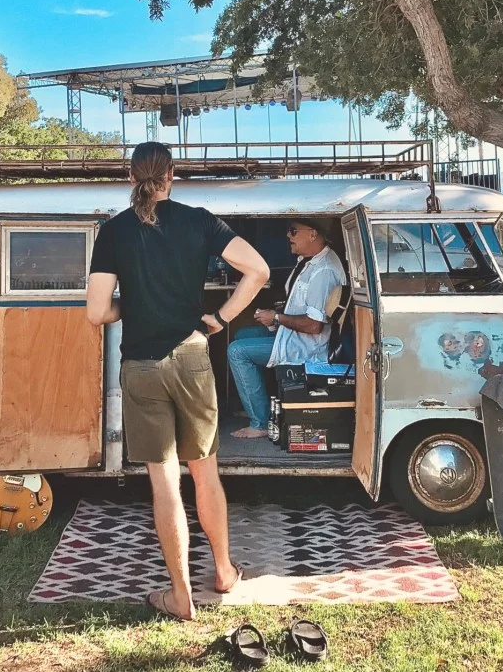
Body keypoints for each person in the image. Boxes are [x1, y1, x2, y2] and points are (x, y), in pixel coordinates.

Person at [86, 141, 270, 621]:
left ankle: (180, 594)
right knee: (204, 469)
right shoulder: (201, 220)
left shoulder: (113, 231)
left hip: (141, 367)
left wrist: (134, 305)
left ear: (132, 177)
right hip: (191, 357)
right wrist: (218, 319)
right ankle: (225, 572)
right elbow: (259, 270)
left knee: (164, 481)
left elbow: (96, 311)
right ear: (172, 175)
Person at [226, 218, 347, 439]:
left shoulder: (324, 271)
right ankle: (258, 403)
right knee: (241, 334)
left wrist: (277, 317)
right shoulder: (309, 261)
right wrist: (277, 315)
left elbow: (314, 325)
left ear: (312, 233)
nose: (288, 236)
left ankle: (260, 422)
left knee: (237, 351)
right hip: (292, 335)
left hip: (306, 347)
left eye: (293, 231)